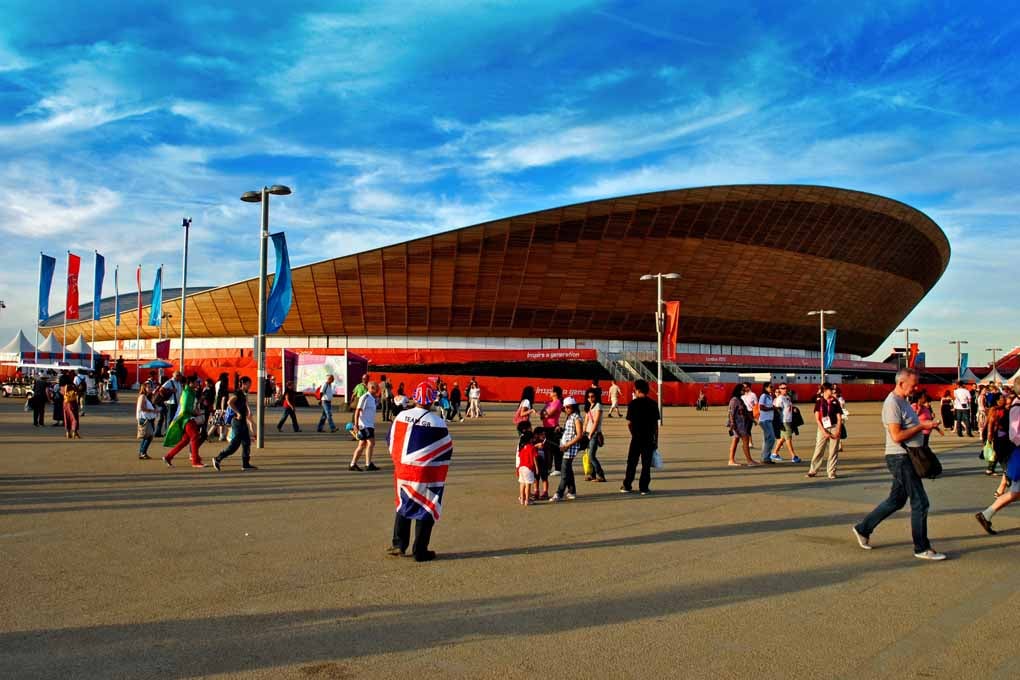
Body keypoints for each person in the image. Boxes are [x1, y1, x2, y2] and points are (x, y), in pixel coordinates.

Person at [852, 368, 944, 560]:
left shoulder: (904, 402)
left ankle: (863, 528)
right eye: (914, 384)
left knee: (896, 500)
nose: (916, 387)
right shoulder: (892, 403)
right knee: (920, 501)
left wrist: (927, 427)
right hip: (900, 458)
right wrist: (921, 426)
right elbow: (896, 436)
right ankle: (921, 547)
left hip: (907, 457)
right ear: (901, 383)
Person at [386, 381, 452, 562]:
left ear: (415, 398)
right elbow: (446, 449)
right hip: (427, 474)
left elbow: (390, 440)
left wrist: (400, 461)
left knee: (403, 504)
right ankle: (420, 550)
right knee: (426, 507)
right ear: (432, 400)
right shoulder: (438, 422)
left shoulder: (401, 416)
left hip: (404, 470)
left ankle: (399, 544)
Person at [976, 390, 1020, 534]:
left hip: (1008, 448)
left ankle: (986, 514)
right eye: (1002, 398)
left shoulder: (1011, 407)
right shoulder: (1014, 408)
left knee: (1015, 491)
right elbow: (1014, 435)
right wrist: (988, 441)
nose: (1004, 399)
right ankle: (986, 513)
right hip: (1005, 446)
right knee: (1015, 491)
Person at [621, 379, 659, 495]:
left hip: (636, 438)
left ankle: (627, 485)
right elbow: (656, 426)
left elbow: (629, 423)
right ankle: (644, 487)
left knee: (632, 462)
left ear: (637, 390)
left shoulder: (633, 404)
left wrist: (633, 433)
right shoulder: (653, 404)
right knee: (646, 464)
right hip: (649, 438)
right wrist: (656, 440)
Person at [162, 375, 208, 468]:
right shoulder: (187, 393)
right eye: (195, 382)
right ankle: (195, 461)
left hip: (187, 418)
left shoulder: (190, 392)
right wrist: (195, 413)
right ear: (190, 383)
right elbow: (185, 408)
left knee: (186, 440)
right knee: (195, 436)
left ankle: (168, 457)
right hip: (186, 419)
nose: (197, 384)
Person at [212, 377, 256, 471]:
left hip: (243, 422)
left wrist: (247, 412)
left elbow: (244, 404)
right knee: (234, 445)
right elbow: (229, 402)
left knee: (246, 443)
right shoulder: (238, 393)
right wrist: (238, 413)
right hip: (237, 422)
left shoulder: (243, 394)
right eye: (248, 383)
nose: (249, 385)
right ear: (243, 384)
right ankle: (218, 458)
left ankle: (245, 464)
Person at [807, 382, 843, 479]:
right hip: (822, 428)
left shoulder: (835, 402)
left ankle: (831, 472)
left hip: (834, 427)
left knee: (833, 451)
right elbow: (817, 419)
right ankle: (813, 470)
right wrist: (823, 431)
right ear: (825, 390)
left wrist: (838, 430)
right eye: (831, 389)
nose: (833, 391)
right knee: (819, 449)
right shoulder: (819, 402)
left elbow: (839, 417)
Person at [550, 397, 583, 502]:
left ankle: (559, 493)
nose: (566, 409)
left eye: (568, 407)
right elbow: (570, 431)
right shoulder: (569, 417)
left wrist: (567, 445)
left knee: (564, 471)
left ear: (573, 407)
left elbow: (579, 435)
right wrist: (561, 429)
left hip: (571, 448)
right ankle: (572, 491)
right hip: (565, 447)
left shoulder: (576, 417)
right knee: (568, 470)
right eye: (565, 407)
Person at [350, 381, 381, 472]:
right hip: (364, 425)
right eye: (376, 387)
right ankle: (367, 464)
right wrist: (356, 425)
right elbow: (357, 411)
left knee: (362, 445)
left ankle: (353, 464)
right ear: (371, 388)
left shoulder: (372, 398)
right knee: (371, 443)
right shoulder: (365, 397)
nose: (378, 389)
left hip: (369, 425)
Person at [727, 384, 757, 467]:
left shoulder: (740, 399)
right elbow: (731, 413)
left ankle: (731, 460)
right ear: (738, 390)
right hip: (737, 424)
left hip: (741, 423)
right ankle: (749, 461)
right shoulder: (734, 400)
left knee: (735, 441)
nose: (745, 391)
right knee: (745, 439)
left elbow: (746, 411)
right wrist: (732, 424)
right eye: (743, 390)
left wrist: (752, 419)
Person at [583, 387, 607, 482]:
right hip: (587, 433)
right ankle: (592, 475)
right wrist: (583, 432)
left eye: (592, 396)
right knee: (588, 455)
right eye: (588, 397)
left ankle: (601, 475)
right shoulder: (589, 406)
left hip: (594, 434)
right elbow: (586, 420)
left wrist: (590, 434)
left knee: (591, 455)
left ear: (596, 396)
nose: (590, 398)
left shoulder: (598, 406)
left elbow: (596, 421)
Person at [772, 383, 801, 463]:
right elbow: (778, 410)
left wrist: (794, 409)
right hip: (784, 421)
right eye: (783, 388)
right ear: (779, 389)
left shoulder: (787, 397)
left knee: (783, 438)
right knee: (788, 439)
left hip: (789, 420)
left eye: (786, 388)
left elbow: (788, 407)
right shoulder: (780, 398)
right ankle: (793, 456)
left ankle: (774, 453)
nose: (785, 389)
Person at [542, 386, 564, 475]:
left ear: (555, 393)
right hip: (546, 428)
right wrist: (545, 413)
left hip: (553, 428)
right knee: (547, 449)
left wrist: (545, 413)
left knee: (555, 449)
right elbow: (542, 415)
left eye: (551, 391)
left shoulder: (557, 402)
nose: (549, 392)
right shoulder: (549, 403)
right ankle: (548, 468)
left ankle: (558, 468)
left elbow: (548, 414)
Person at [517, 427, 540, 506]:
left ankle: (522, 499)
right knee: (528, 485)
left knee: (522, 484)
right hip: (528, 468)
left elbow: (520, 457)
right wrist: (537, 468)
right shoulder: (532, 447)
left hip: (521, 467)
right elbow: (534, 458)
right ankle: (527, 500)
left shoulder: (522, 448)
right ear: (530, 439)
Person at [136, 383, 158, 459]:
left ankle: (142, 452)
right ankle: (142, 452)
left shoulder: (147, 396)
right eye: (148, 387)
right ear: (144, 388)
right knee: (149, 436)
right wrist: (153, 410)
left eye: (151, 387)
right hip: (144, 418)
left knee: (147, 436)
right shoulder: (142, 396)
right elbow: (142, 408)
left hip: (147, 418)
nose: (150, 388)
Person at [757, 382, 777, 464]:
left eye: (772, 386)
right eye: (770, 387)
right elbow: (761, 407)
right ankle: (766, 457)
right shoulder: (763, 396)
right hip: (764, 420)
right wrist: (771, 408)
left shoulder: (769, 396)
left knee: (767, 439)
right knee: (771, 438)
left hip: (768, 420)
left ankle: (764, 457)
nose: (772, 388)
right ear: (765, 388)